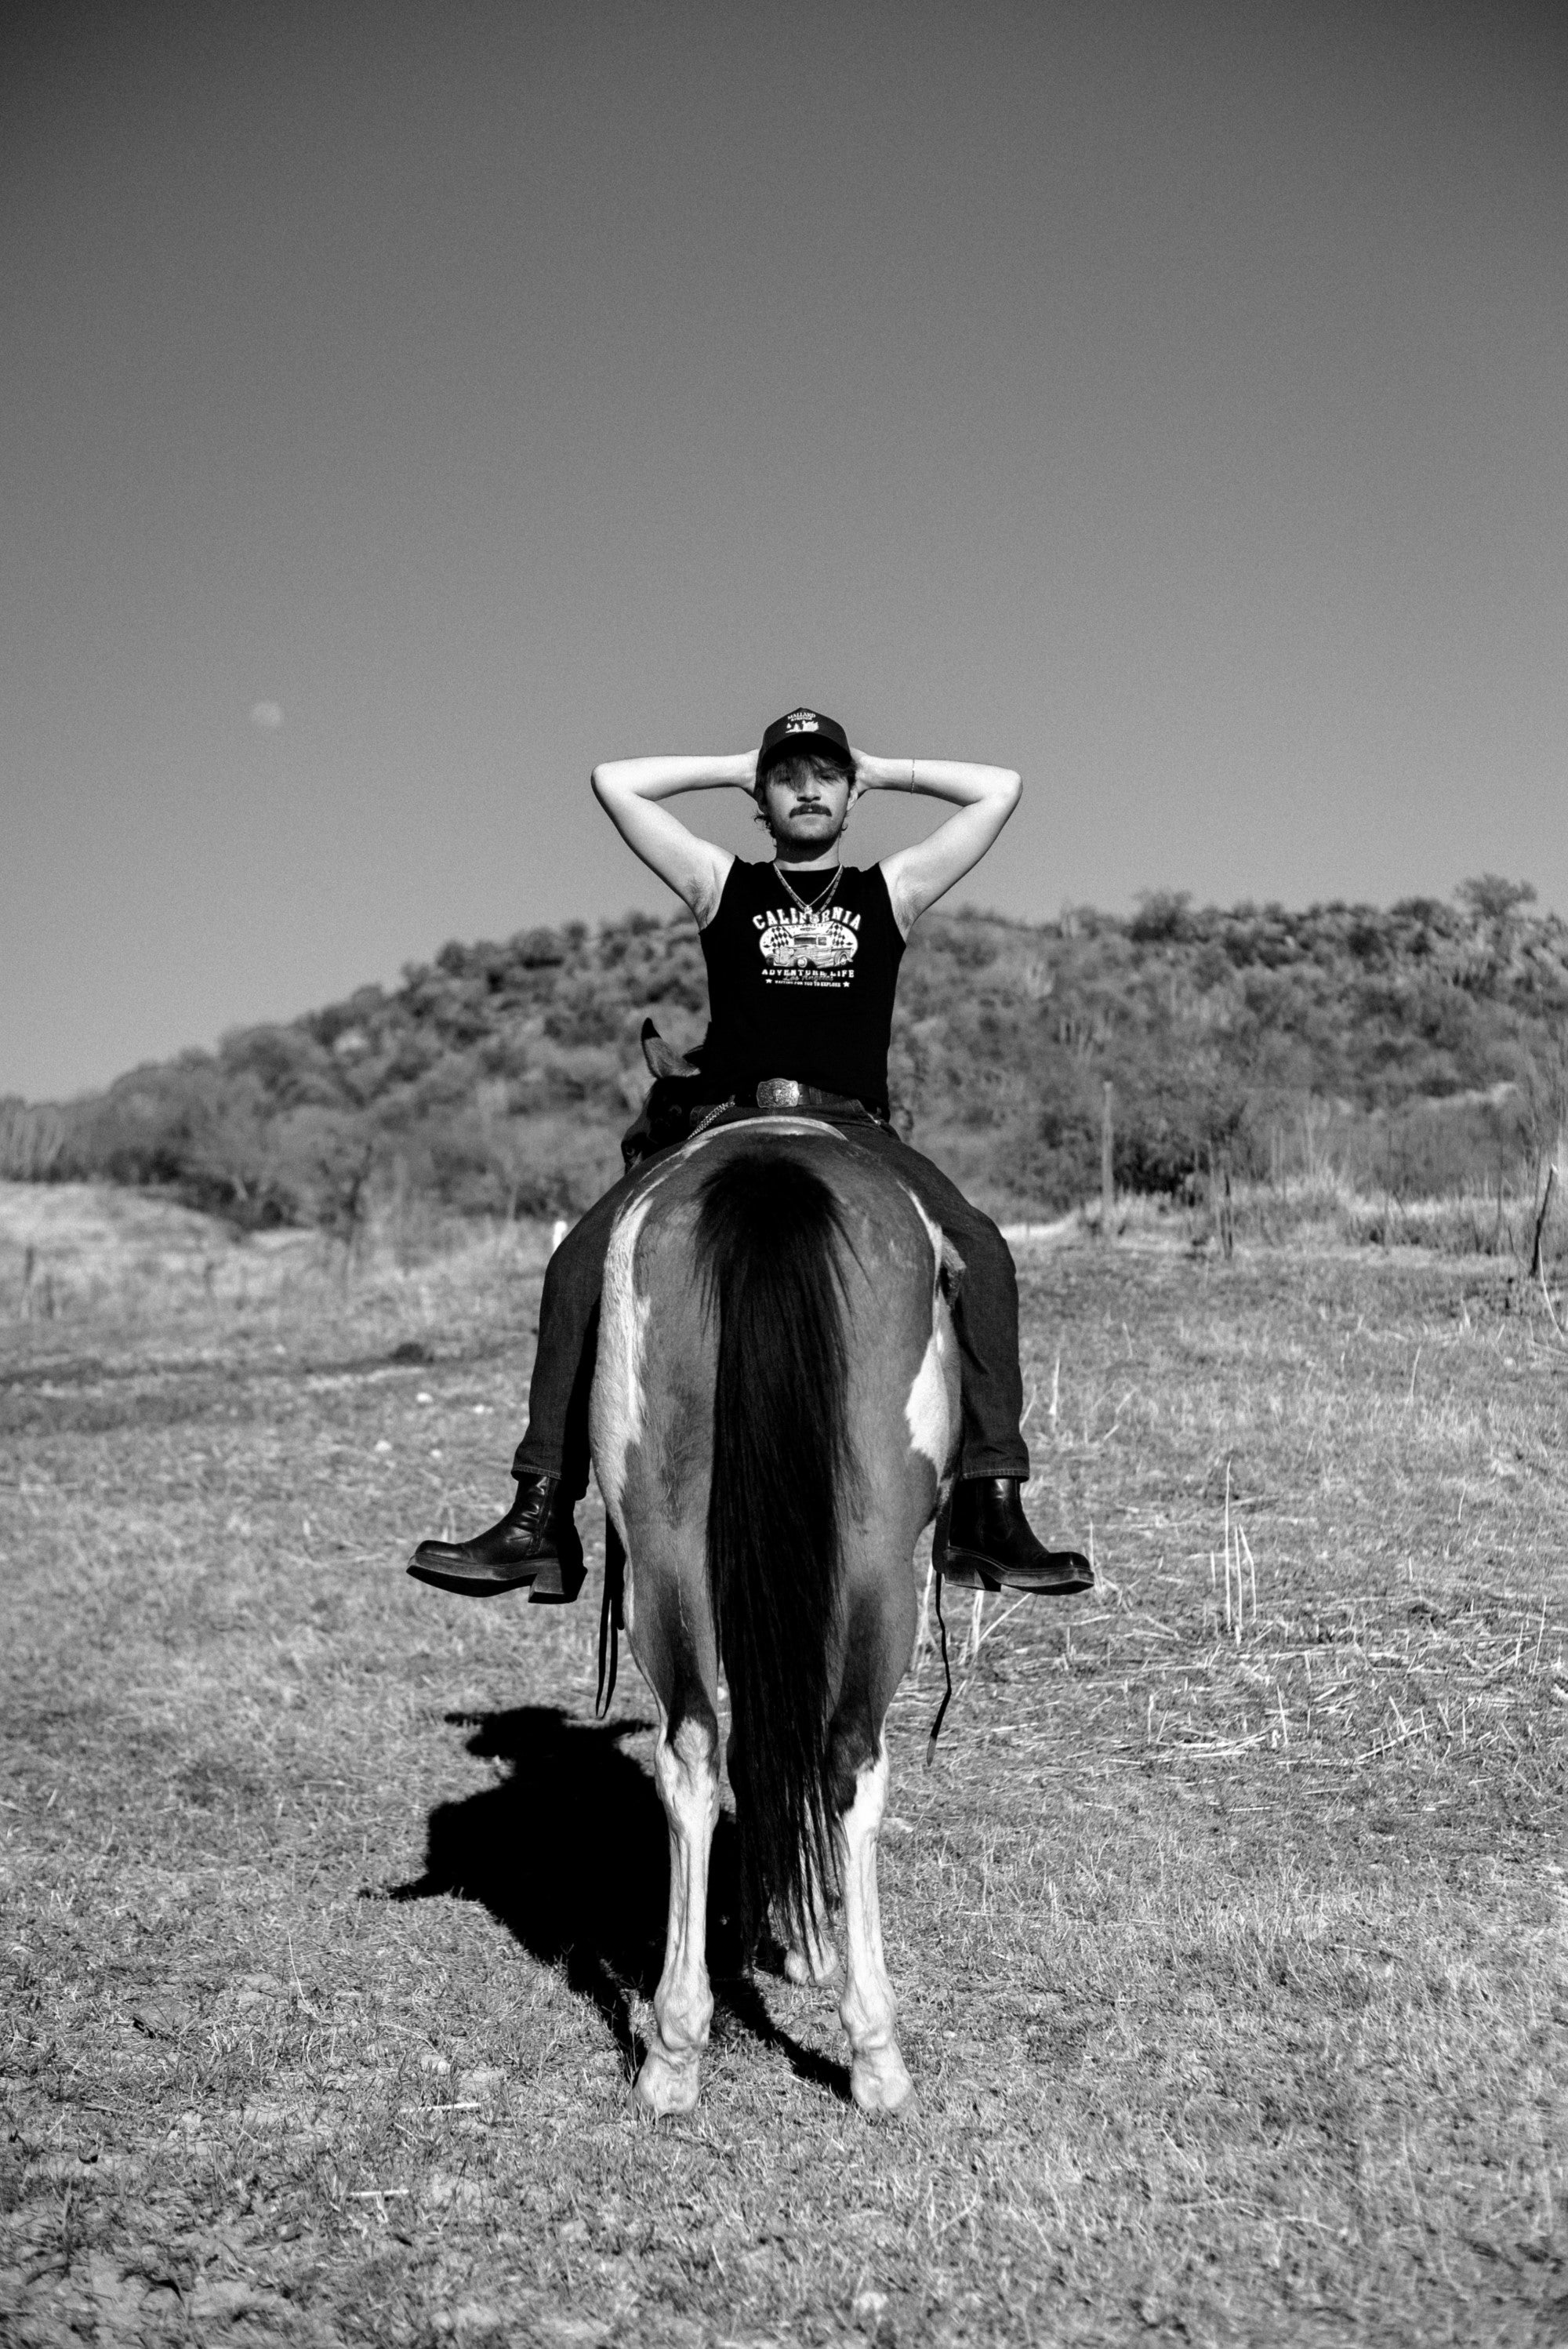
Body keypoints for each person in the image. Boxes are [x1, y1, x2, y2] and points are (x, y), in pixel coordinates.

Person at [408, 706, 1092, 1604]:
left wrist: (879, 767)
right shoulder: (719, 885)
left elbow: (997, 789)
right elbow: (615, 779)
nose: (806, 787)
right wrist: (738, 762)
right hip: (725, 1121)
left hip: (854, 1128)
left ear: (850, 796)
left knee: (983, 1250)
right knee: (577, 1261)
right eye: (786, 775)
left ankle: (988, 1504)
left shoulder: (888, 891)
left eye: (825, 774)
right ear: (759, 800)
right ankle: (540, 1510)